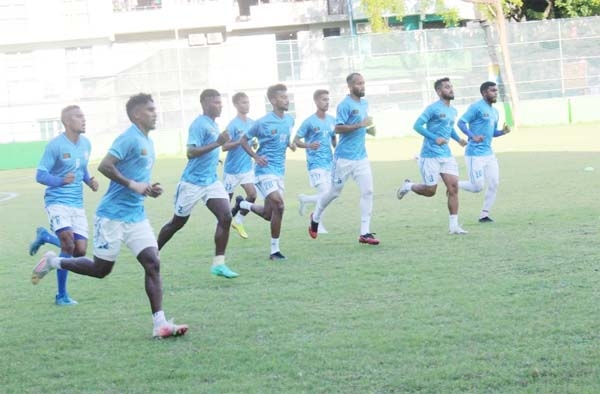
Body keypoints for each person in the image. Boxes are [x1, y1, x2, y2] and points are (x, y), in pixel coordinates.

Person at [31, 93, 188, 339]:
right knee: (101, 269)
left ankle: (160, 324)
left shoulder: (148, 141)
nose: (155, 113)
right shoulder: (128, 138)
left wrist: (147, 189)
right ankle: (54, 262)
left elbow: (136, 180)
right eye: (149, 110)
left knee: (152, 263)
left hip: (136, 215)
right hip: (112, 216)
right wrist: (132, 184)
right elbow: (105, 166)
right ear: (136, 114)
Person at [157, 89, 239, 279]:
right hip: (192, 183)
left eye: (221, 102)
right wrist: (218, 144)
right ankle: (153, 251)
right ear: (204, 103)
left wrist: (215, 157)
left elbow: (210, 148)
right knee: (177, 223)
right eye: (216, 102)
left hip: (211, 181)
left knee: (226, 217)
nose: (220, 105)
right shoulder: (198, 124)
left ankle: (219, 264)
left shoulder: (212, 124)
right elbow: (191, 152)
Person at [30, 105, 99, 306]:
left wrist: (89, 181)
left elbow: (82, 168)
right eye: (79, 116)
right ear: (68, 121)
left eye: (84, 116)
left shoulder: (86, 144)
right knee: (68, 244)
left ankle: (45, 237)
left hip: (77, 204)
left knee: (79, 251)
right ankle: (61, 296)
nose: (83, 119)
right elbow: (40, 175)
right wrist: (60, 181)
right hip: (57, 201)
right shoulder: (55, 146)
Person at [308, 73, 379, 245]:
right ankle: (315, 217)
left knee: (368, 191)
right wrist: (359, 125)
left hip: (361, 157)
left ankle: (364, 233)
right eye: (358, 84)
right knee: (334, 192)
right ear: (350, 86)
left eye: (363, 83)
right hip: (343, 158)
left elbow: (360, 125)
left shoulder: (364, 103)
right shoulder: (344, 105)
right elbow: (338, 128)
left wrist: (367, 129)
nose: (362, 86)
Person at [396, 77, 468, 234]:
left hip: (446, 155)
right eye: (447, 87)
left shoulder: (452, 110)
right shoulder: (432, 109)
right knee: (430, 191)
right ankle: (408, 186)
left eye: (451, 87)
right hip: (429, 155)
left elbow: (449, 128)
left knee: (453, 188)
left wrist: (458, 140)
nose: (451, 89)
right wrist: (435, 138)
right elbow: (417, 126)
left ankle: (454, 226)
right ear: (439, 91)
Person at [232, 83, 295, 260]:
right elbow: (244, 140)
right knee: (280, 205)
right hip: (263, 170)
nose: (286, 99)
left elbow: (285, 139)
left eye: (287, 96)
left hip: (279, 171)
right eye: (283, 97)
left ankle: (243, 205)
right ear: (273, 100)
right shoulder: (262, 122)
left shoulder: (290, 120)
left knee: (269, 214)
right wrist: (255, 156)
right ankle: (274, 251)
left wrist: (291, 144)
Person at [457, 81, 510, 222]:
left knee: (494, 183)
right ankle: (452, 183)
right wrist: (472, 135)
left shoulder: (495, 112)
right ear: (484, 93)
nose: (495, 93)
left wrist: (502, 132)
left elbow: (492, 133)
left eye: (496, 90)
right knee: (477, 187)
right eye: (492, 90)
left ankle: (484, 214)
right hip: (474, 153)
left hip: (489, 154)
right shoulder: (476, 107)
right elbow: (461, 123)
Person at [294, 89, 336, 234]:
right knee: (325, 193)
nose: (327, 102)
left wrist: (337, 153)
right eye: (324, 99)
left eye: (328, 99)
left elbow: (333, 138)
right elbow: (296, 141)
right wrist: (309, 145)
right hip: (315, 164)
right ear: (317, 102)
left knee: (331, 195)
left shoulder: (332, 120)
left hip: (329, 163)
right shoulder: (309, 122)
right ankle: (317, 224)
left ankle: (306, 199)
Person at [221, 92, 257, 240]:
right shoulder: (233, 125)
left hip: (246, 168)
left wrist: (253, 143)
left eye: (247, 102)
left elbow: (252, 141)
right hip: (231, 171)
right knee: (224, 205)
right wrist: (240, 142)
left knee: (252, 195)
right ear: (236, 105)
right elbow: (224, 146)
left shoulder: (252, 123)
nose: (246, 105)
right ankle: (223, 229)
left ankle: (238, 221)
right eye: (243, 102)